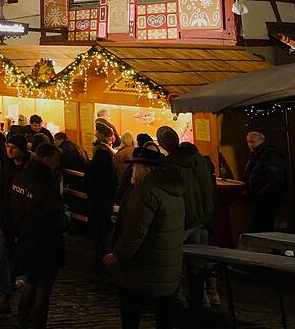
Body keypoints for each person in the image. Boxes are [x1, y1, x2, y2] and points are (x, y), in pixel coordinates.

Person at [104, 147, 185, 329]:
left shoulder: (144, 192)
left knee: (131, 311)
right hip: (168, 264)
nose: (131, 170)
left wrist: (116, 255)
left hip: (143, 265)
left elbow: (134, 233)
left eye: (133, 166)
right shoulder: (173, 190)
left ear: (141, 168)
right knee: (164, 312)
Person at [156, 125, 216, 315]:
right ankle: (201, 302)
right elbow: (208, 189)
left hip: (182, 220)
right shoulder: (199, 160)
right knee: (198, 264)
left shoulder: (170, 165)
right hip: (201, 218)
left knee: (175, 261)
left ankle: (180, 302)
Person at [10, 143, 66, 329]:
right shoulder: (46, 184)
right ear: (47, 159)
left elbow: (16, 210)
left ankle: (22, 319)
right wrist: (65, 219)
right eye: (57, 159)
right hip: (46, 244)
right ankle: (37, 323)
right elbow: (55, 218)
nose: (58, 164)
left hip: (27, 240)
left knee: (31, 283)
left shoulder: (21, 178)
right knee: (43, 289)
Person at [0, 132, 28, 316]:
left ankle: (14, 298)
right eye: (8, 147)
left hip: (24, 223)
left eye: (13, 147)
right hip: (8, 221)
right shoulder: (7, 166)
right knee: (1, 258)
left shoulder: (29, 169)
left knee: (13, 260)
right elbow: (0, 189)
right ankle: (6, 295)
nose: (9, 150)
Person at [85, 123, 119, 275]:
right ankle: (103, 265)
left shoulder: (96, 157)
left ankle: (98, 263)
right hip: (104, 203)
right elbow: (113, 183)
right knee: (105, 236)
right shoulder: (106, 156)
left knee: (98, 236)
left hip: (94, 203)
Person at [243, 131, 286, 232]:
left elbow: (274, 179)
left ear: (260, 141)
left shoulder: (269, 155)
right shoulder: (258, 154)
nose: (250, 145)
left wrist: (260, 193)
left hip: (266, 198)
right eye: (248, 142)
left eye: (252, 141)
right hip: (262, 197)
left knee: (264, 226)